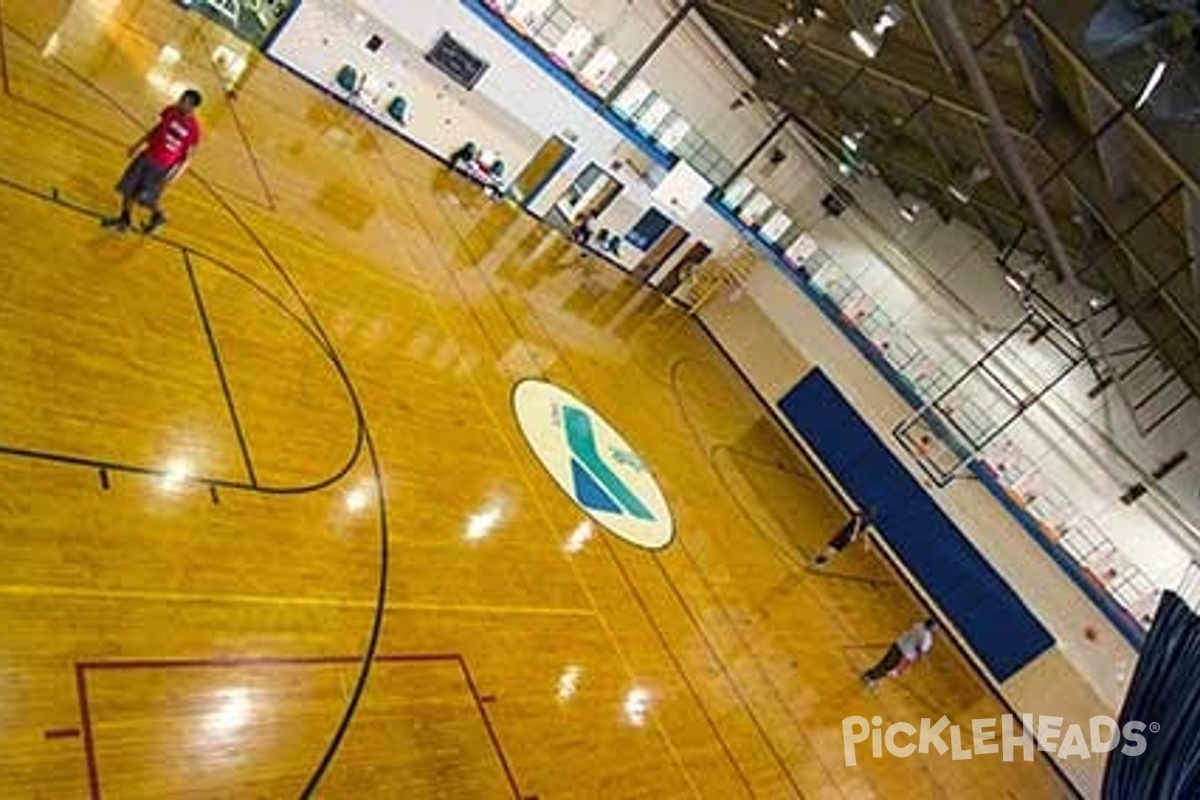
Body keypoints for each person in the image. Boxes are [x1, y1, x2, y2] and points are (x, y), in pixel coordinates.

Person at [102, 89, 203, 234]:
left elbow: (188, 157)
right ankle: (124, 220)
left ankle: (159, 215)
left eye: (184, 101)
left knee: (145, 199)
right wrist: (137, 145)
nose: (180, 102)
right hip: (147, 155)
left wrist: (175, 175)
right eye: (181, 98)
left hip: (162, 166)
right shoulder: (170, 111)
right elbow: (156, 130)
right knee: (128, 187)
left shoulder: (194, 130)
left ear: (192, 107)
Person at [862, 618, 938, 691]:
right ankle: (871, 679)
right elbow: (921, 650)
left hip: (897, 644)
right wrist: (923, 660)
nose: (936, 628)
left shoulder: (919, 625)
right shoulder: (926, 637)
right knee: (888, 667)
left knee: (884, 662)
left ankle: (869, 674)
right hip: (903, 652)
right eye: (935, 626)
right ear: (931, 627)